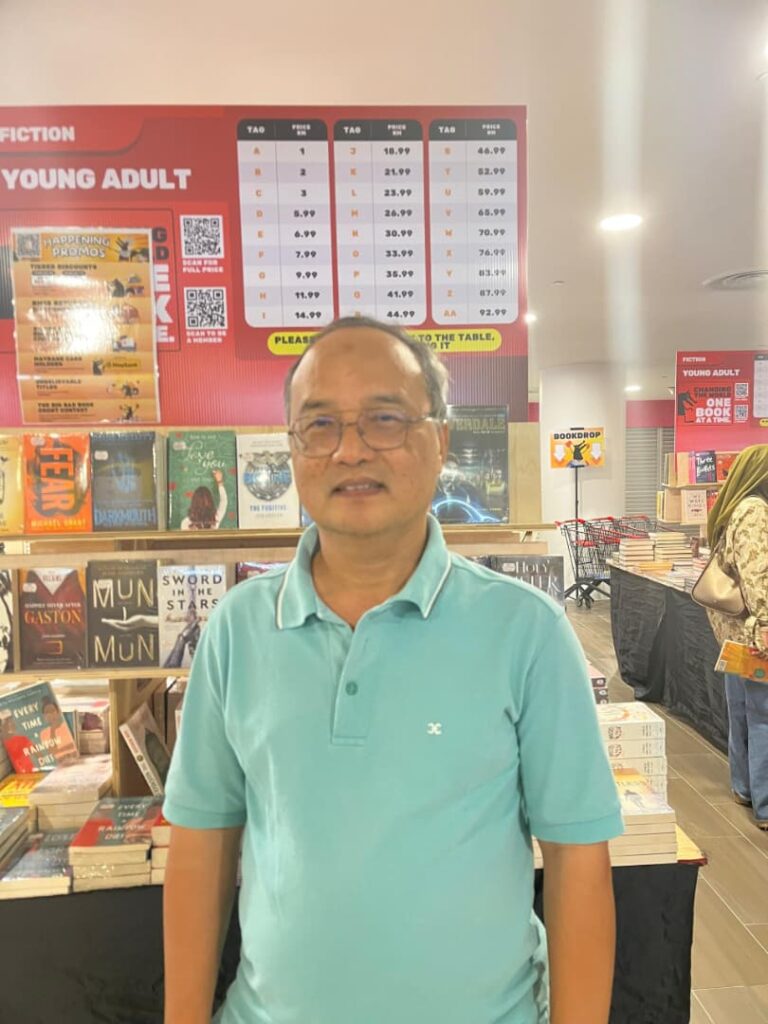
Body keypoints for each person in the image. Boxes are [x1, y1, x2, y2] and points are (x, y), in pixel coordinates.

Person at [163, 315, 622, 1024]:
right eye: (320, 425)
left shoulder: (526, 631)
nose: (350, 450)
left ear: (441, 442)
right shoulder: (237, 628)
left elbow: (578, 860)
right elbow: (202, 844)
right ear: (292, 449)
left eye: (385, 419)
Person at [705, 444, 768, 829]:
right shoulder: (755, 511)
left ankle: (744, 787)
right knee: (762, 715)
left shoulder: (734, 508)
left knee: (743, 712)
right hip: (754, 634)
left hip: (735, 635)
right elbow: (758, 575)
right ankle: (765, 803)